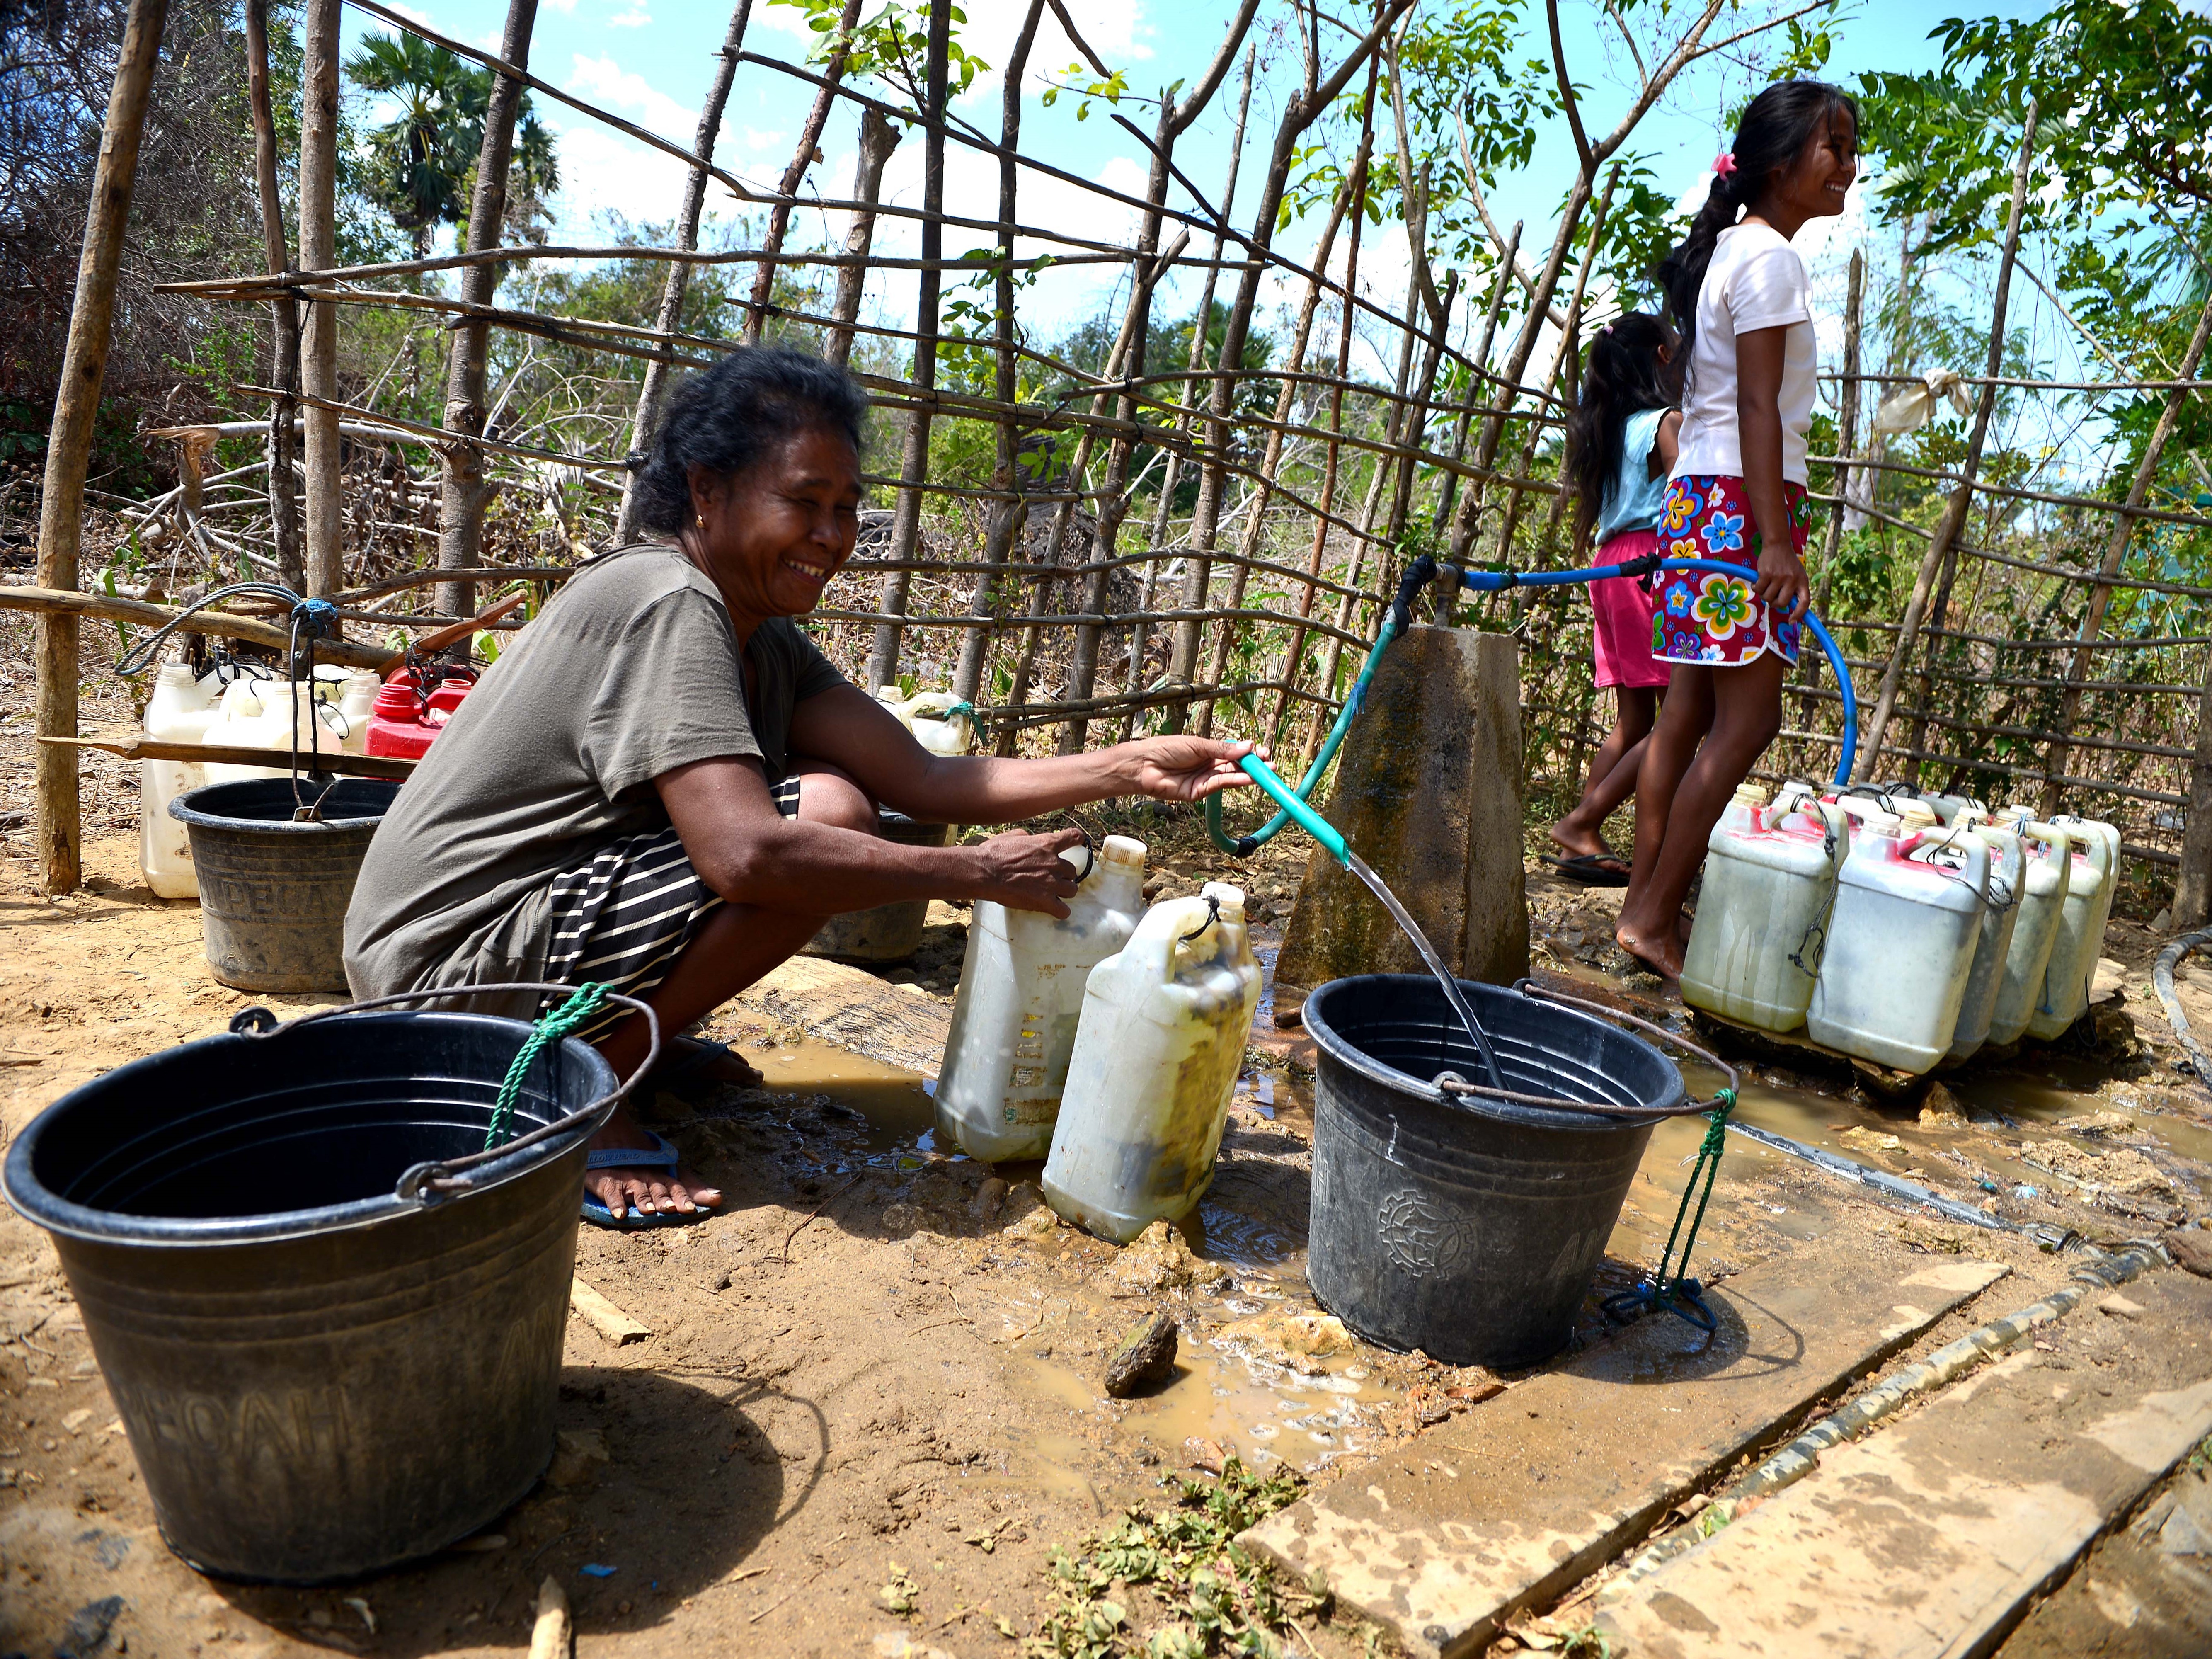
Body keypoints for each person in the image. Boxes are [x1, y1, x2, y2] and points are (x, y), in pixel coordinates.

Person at [344, 346, 1259, 1226]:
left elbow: (926, 775)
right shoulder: (668, 601)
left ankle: (621, 1046)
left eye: (848, 508)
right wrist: (970, 874)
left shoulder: (759, 633)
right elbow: (744, 855)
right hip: (441, 970)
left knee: (833, 803)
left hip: (519, 928)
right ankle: (571, 1094)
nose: (832, 536)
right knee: (816, 820)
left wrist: (1126, 765)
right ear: (707, 490)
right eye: (804, 502)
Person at [1614, 80, 1858, 978]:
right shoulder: (1770, 261)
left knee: (1686, 711)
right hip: (1737, 505)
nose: (1848, 165)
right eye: (1832, 147)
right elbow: (1758, 405)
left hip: (1702, 499)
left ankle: (1650, 914)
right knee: (1747, 719)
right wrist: (1776, 542)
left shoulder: (1732, 250)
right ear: (1777, 162)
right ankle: (1647, 915)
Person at [1546, 313, 1681, 886]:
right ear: (1658, 356)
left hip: (1611, 565)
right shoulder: (1662, 423)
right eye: (1675, 350)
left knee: (1633, 722)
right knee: (1681, 715)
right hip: (1647, 565)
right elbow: (1687, 498)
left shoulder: (1608, 427)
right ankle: (1584, 819)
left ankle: (1581, 833)